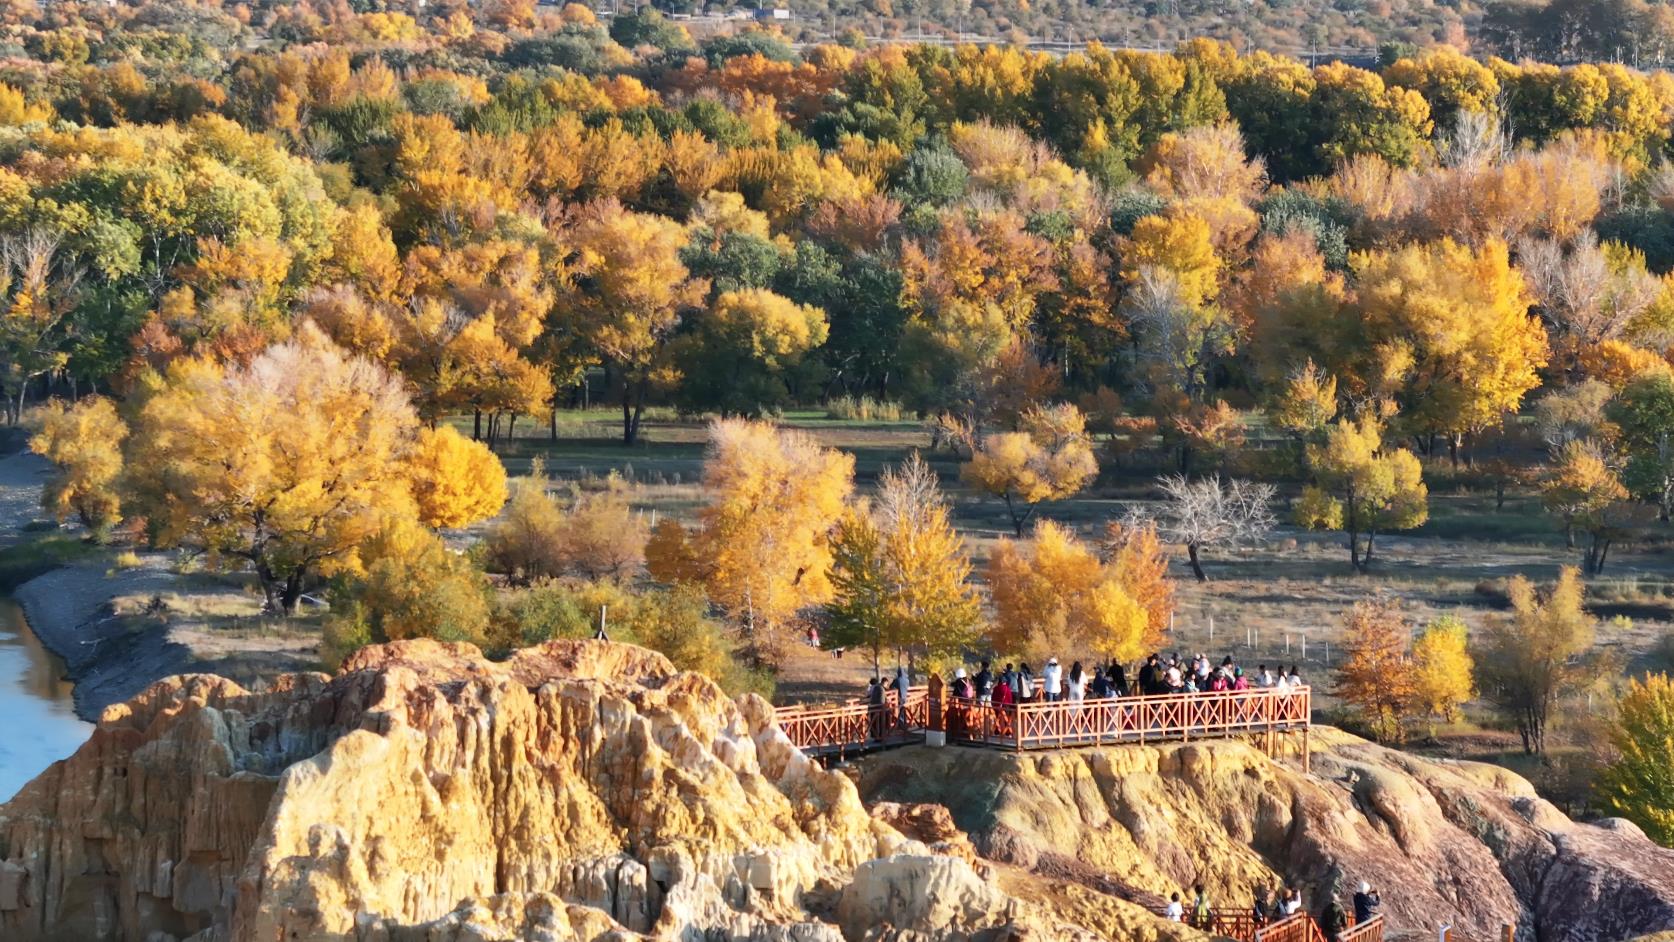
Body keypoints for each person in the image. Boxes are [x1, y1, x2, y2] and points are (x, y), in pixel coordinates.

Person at [895, 663, 911, 730]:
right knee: (904, 711)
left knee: (900, 711)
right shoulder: (907, 680)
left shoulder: (897, 680)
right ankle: (905, 723)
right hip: (905, 697)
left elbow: (891, 687)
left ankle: (901, 725)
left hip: (899, 698)